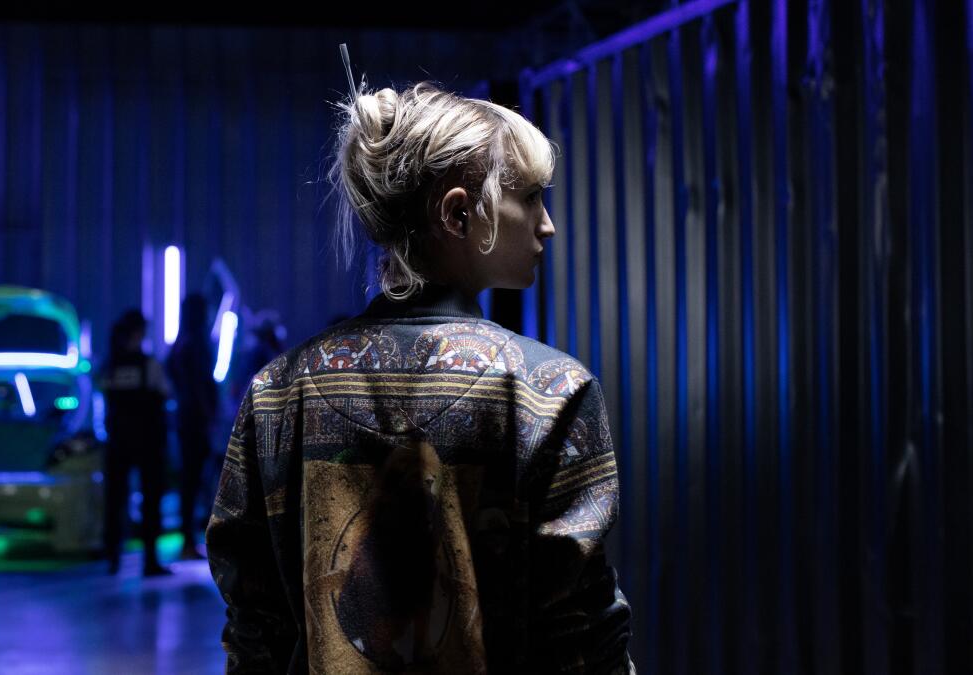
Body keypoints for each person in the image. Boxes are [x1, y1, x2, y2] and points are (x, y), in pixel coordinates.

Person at [207, 81, 635, 673]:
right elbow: (581, 636)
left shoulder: (279, 392)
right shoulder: (550, 391)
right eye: (532, 197)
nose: (548, 225)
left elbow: (255, 633)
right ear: (459, 213)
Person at [99, 309, 172, 577]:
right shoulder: (149, 365)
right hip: (147, 441)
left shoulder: (110, 364)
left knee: (115, 499)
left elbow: (104, 396)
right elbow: (164, 394)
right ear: (139, 332)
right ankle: (150, 560)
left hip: (118, 440)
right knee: (150, 500)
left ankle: (112, 557)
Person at [166, 294, 218, 560]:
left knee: (189, 479)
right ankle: (190, 540)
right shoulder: (196, 343)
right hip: (196, 418)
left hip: (185, 417)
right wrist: (209, 414)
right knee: (196, 479)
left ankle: (188, 538)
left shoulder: (180, 343)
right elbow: (201, 384)